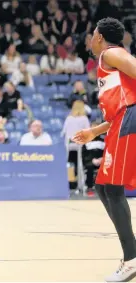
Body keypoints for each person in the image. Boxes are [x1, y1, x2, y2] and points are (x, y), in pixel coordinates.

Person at [72, 17, 136, 282]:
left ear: (98, 36)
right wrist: (93, 132)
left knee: (112, 188)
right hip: (118, 122)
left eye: (92, 34)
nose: (91, 39)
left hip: (129, 118)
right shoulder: (107, 62)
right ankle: (132, 253)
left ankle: (131, 259)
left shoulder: (112, 53)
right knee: (102, 186)